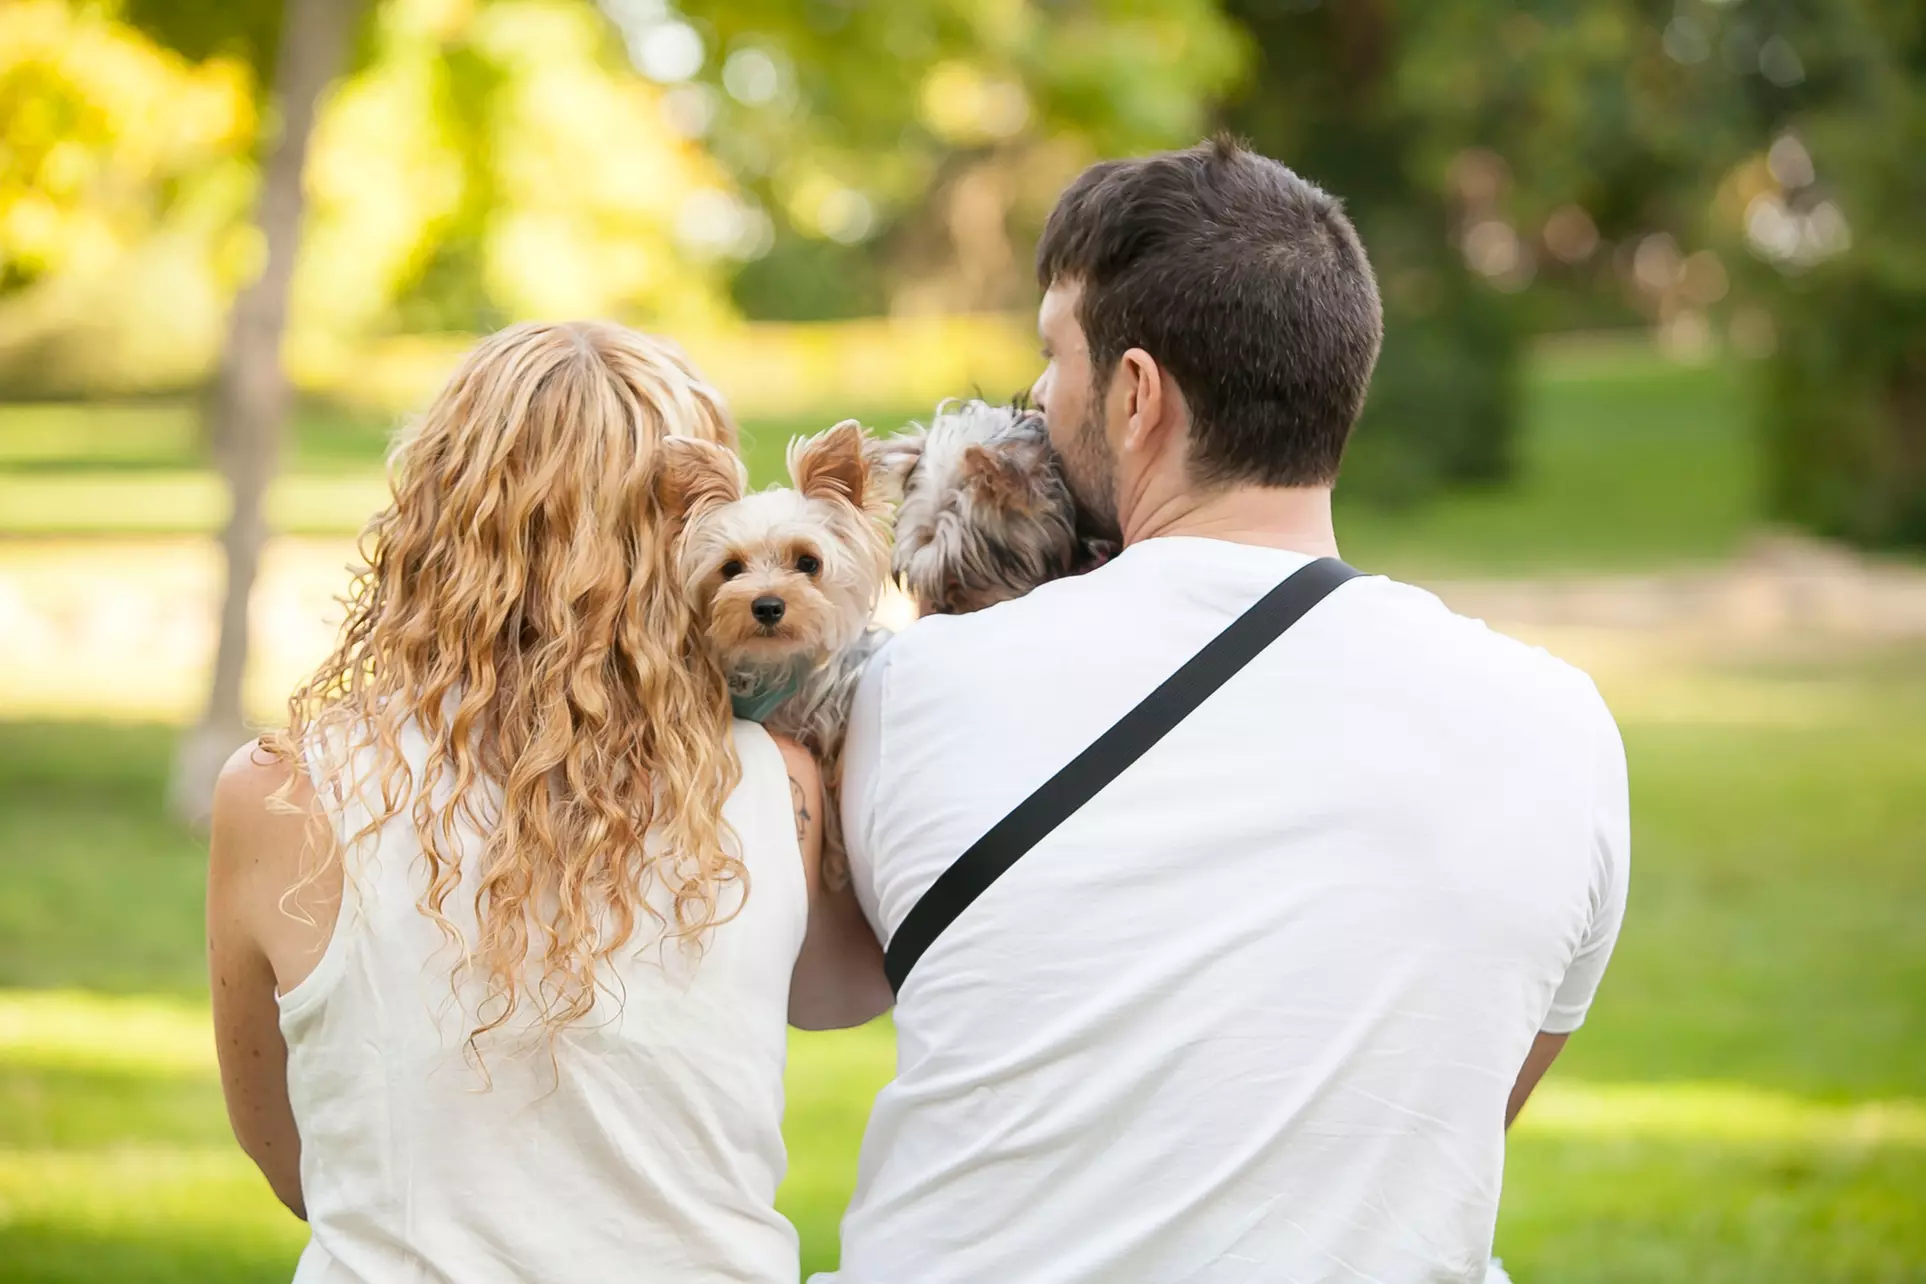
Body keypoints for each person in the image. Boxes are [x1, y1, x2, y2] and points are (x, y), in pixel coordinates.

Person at [824, 139, 1630, 1282]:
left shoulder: (920, 690)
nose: (1037, 405)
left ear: (1138, 394)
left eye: (1053, 361)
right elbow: (1450, 1120)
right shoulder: (1565, 729)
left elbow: (820, 989)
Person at [208, 321, 886, 1284]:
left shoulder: (280, 791)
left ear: (434, 519)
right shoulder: (775, 784)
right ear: (676, 540)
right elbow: (840, 997)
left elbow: (295, 1155)